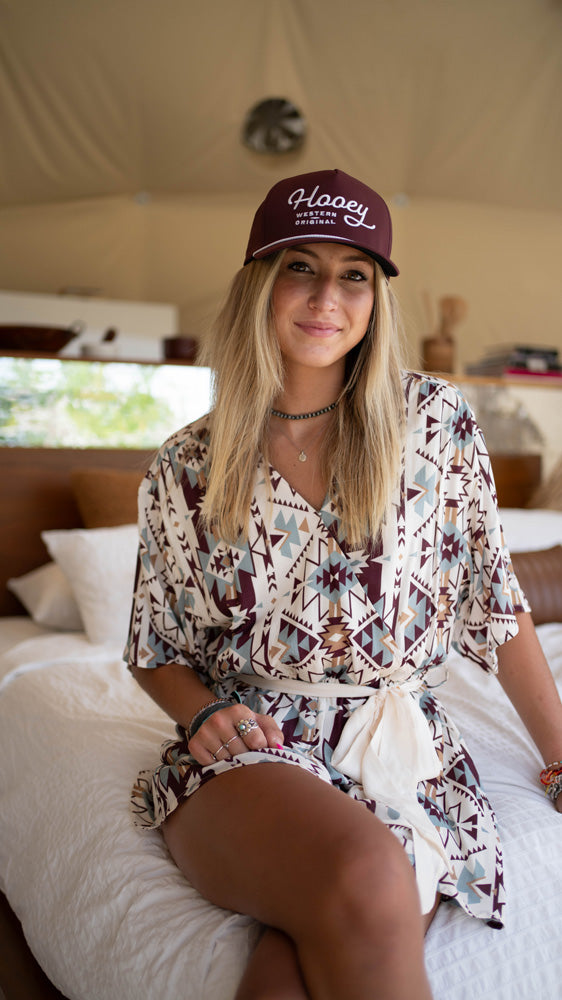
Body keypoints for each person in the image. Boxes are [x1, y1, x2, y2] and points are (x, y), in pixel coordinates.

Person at [126, 169, 562, 1000]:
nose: (327, 293)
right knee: (367, 873)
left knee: (283, 981)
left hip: (402, 745)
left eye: (353, 273)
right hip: (254, 746)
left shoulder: (433, 425)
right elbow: (156, 648)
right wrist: (205, 712)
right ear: (259, 281)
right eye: (301, 265)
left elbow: (494, 604)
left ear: (376, 298)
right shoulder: (187, 464)